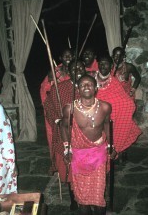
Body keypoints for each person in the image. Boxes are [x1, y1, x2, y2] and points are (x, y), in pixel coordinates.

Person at [60, 74, 114, 215]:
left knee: (98, 196)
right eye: (82, 84)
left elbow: (108, 124)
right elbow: (63, 126)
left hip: (98, 154)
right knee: (83, 198)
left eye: (89, 84)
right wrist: (67, 149)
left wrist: (110, 146)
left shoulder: (105, 107)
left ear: (95, 88)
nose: (86, 87)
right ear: (77, 89)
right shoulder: (70, 109)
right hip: (78, 156)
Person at [43, 59, 86, 210]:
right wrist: (57, 120)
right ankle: (74, 198)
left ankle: (85, 196)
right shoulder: (59, 88)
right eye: (74, 69)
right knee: (69, 168)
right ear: (68, 72)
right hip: (66, 133)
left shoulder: (89, 86)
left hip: (85, 135)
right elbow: (48, 105)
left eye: (81, 67)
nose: (78, 71)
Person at [93, 54, 141, 162]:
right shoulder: (91, 78)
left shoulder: (114, 82)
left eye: (106, 64)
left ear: (111, 66)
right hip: (93, 116)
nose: (103, 66)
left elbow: (127, 102)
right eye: (101, 63)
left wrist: (115, 110)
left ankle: (114, 151)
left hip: (110, 116)